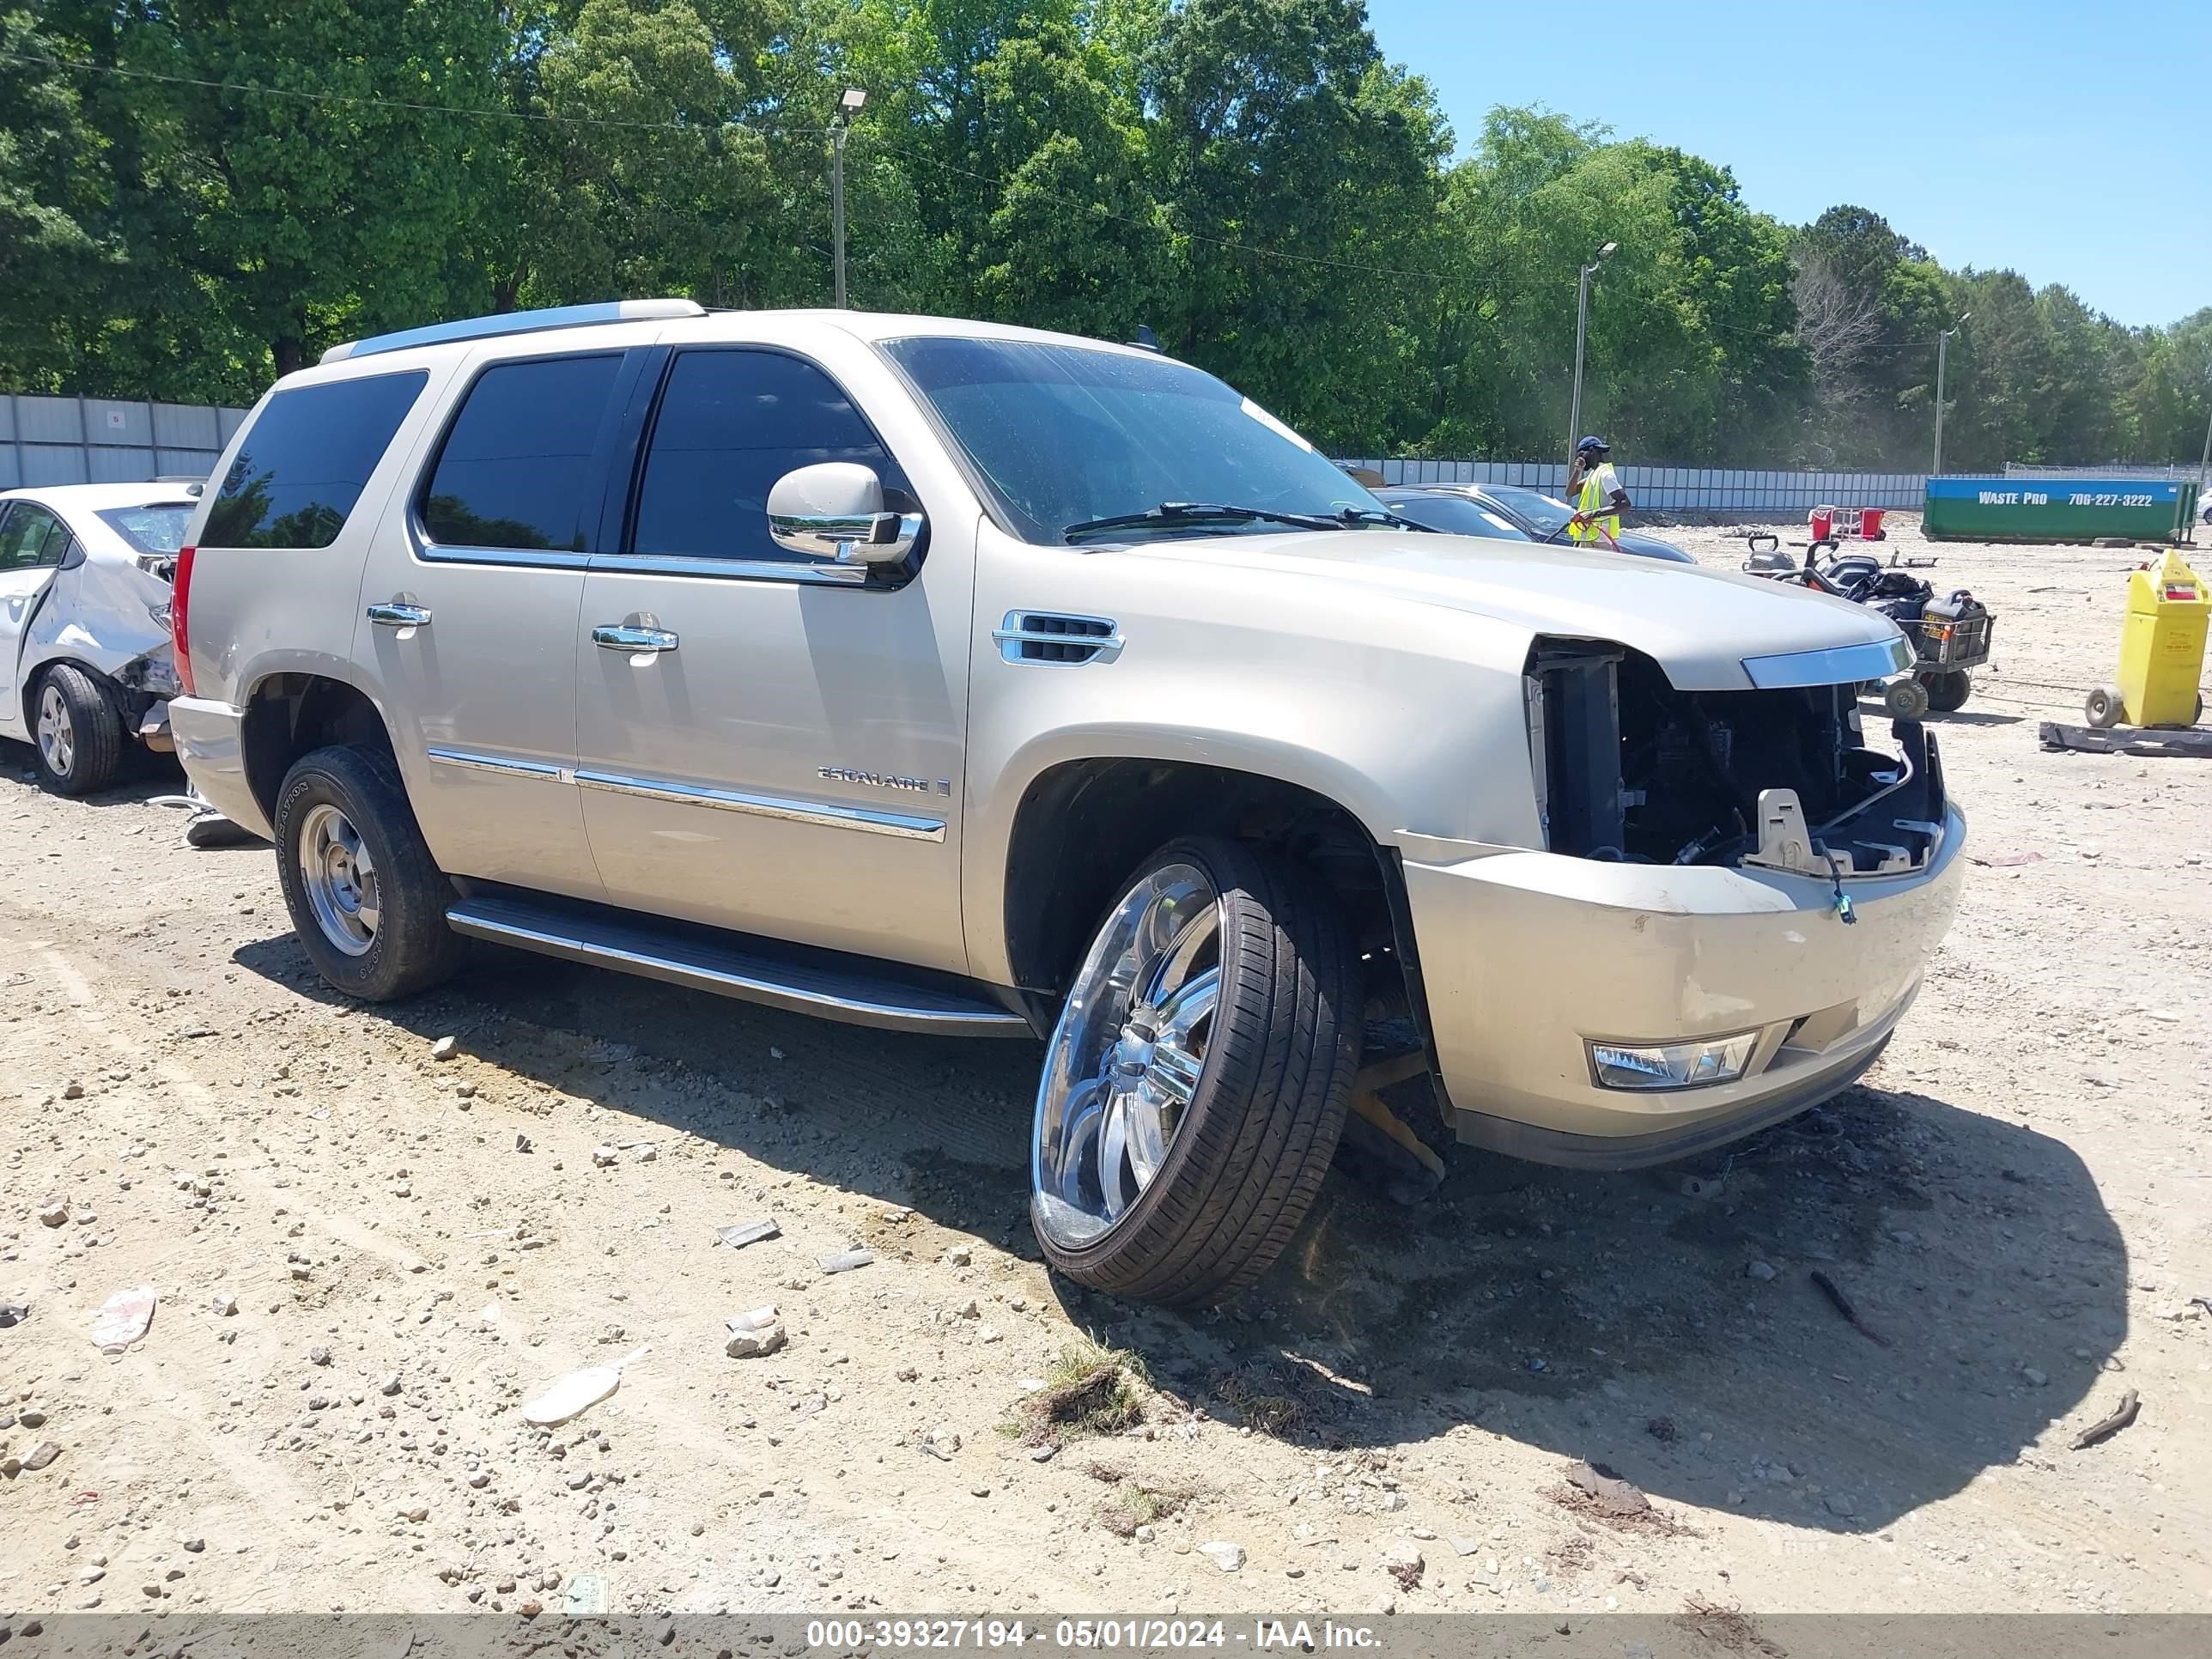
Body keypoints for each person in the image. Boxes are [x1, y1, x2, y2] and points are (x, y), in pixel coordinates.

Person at [1564, 434, 1631, 544]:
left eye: (1581, 454)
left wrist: (1593, 514)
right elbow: (1570, 492)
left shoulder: (1605, 475)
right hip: (1589, 538)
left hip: (1601, 541)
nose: (1579, 458)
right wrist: (1577, 471)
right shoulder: (1593, 475)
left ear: (1591, 451)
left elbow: (1625, 503)